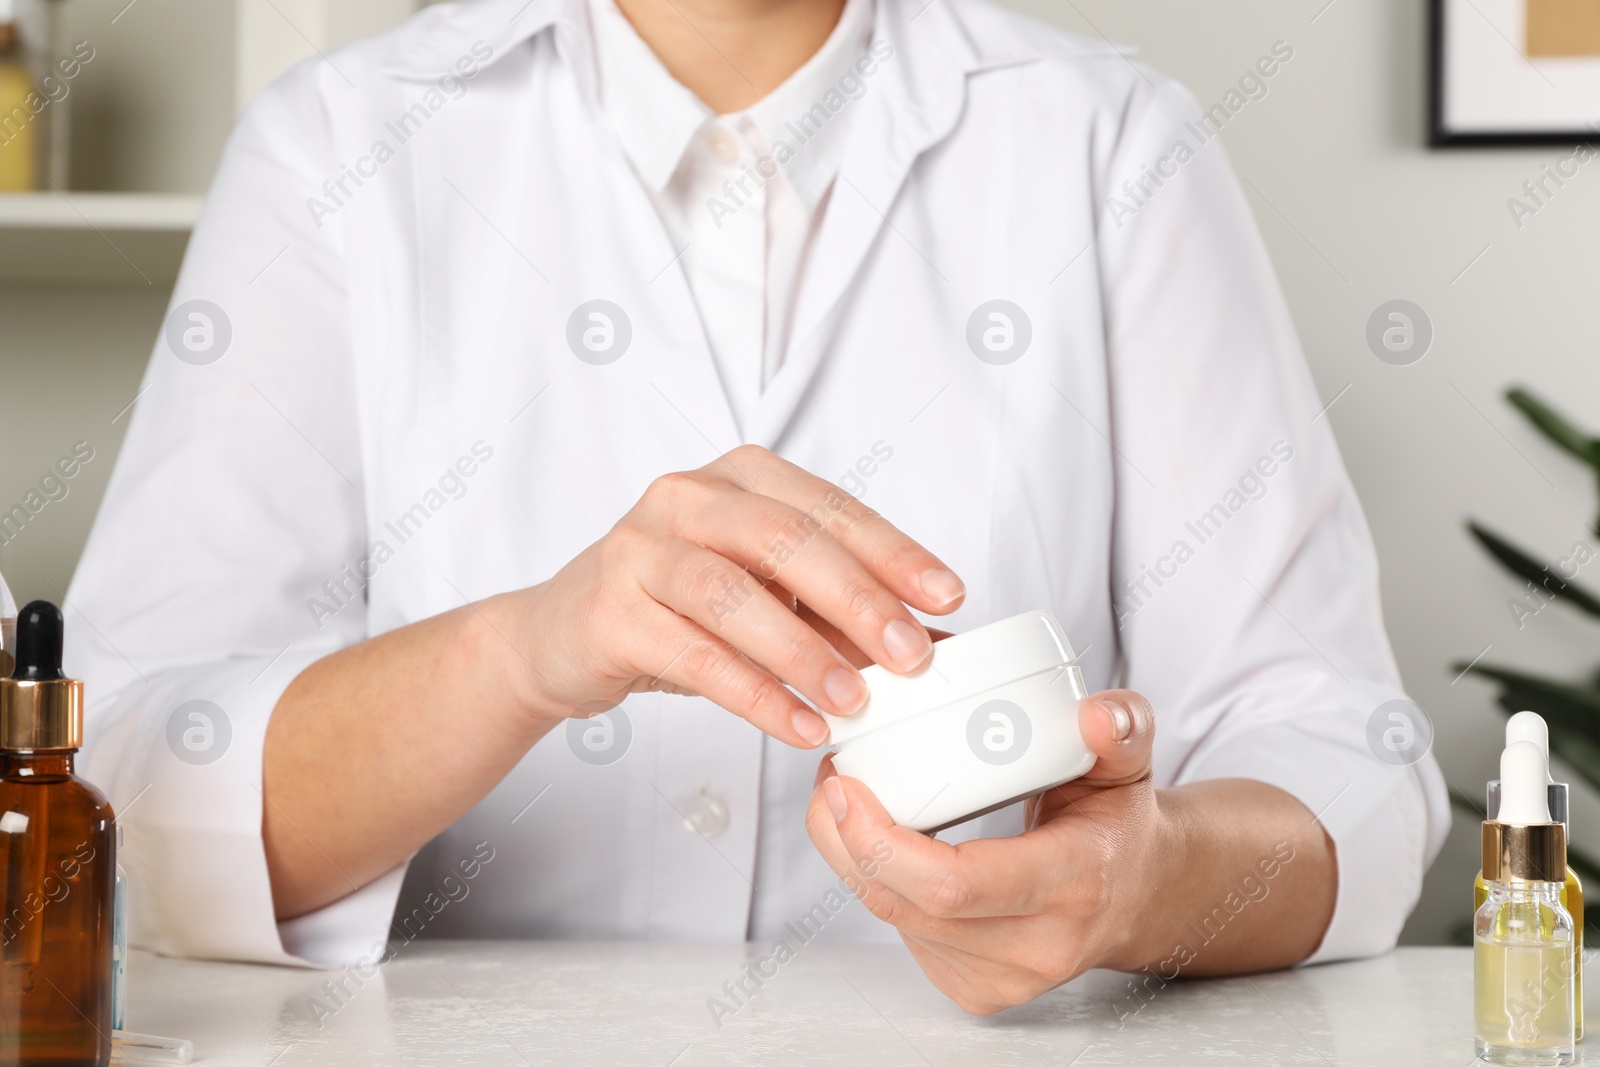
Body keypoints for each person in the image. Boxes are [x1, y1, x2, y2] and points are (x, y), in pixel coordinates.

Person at [67, 0, 1446, 1015]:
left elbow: (1346, 756)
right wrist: (520, 654)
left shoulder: (1107, 144)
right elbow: (113, 784)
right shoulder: (338, 149)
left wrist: (1149, 882)